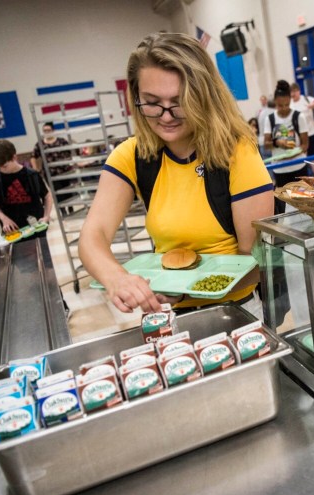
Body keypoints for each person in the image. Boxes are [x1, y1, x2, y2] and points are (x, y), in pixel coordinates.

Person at [78, 32, 273, 315]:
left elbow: (258, 260)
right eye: (152, 102)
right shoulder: (131, 156)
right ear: (136, 98)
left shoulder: (237, 152)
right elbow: (92, 236)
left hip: (237, 310)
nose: (166, 116)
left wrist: (188, 290)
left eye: (179, 101)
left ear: (204, 97)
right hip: (174, 313)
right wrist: (116, 278)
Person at [0, 139, 52, 235]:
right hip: (13, 231)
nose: (2, 170)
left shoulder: (32, 175)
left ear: (14, 157)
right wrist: (4, 219)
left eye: (5, 166)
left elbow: (47, 196)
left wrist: (46, 216)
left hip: (36, 227)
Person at [264, 80, 309, 214]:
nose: (283, 108)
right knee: (283, 204)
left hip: (298, 166)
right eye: (280, 105)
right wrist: (278, 143)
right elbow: (266, 145)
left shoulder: (298, 116)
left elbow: (305, 145)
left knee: (302, 202)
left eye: (286, 105)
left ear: (290, 100)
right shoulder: (270, 119)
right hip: (280, 169)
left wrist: (293, 153)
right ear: (275, 103)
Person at [31, 121, 74, 213]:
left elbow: (72, 152)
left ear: (53, 130)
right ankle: (62, 210)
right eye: (44, 130)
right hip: (50, 174)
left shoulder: (61, 141)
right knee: (57, 192)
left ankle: (70, 207)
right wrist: (35, 169)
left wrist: (71, 163)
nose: (46, 132)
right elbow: (33, 156)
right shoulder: (40, 144)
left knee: (67, 191)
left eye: (48, 130)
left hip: (65, 172)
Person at [289, 82, 314, 156]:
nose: (293, 94)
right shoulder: (289, 104)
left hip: (311, 134)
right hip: (298, 137)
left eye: (294, 91)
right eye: (291, 92)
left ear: (299, 91)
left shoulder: (307, 99)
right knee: (301, 159)